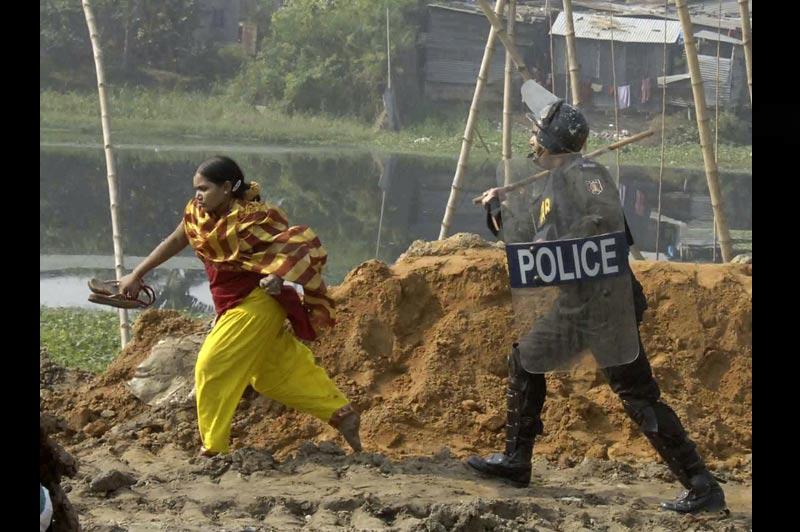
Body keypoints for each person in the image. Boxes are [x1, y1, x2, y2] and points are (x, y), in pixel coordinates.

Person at [466, 101, 726, 514]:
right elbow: (525, 236)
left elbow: (604, 222)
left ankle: (702, 486)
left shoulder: (588, 176)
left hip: (607, 305)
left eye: (537, 133)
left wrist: (563, 239)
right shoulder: (554, 184)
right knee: (525, 360)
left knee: (637, 395)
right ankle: (517, 461)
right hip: (575, 305)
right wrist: (500, 207)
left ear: (553, 141)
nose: (531, 139)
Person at [118, 155, 362, 457]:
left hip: (256, 303)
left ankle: (213, 448)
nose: (197, 195)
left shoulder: (256, 218)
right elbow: (174, 240)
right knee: (273, 374)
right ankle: (342, 414)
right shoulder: (197, 216)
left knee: (211, 364)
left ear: (227, 188)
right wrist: (137, 274)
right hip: (231, 304)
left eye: (204, 189)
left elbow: (297, 244)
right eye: (196, 188)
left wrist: (275, 275)